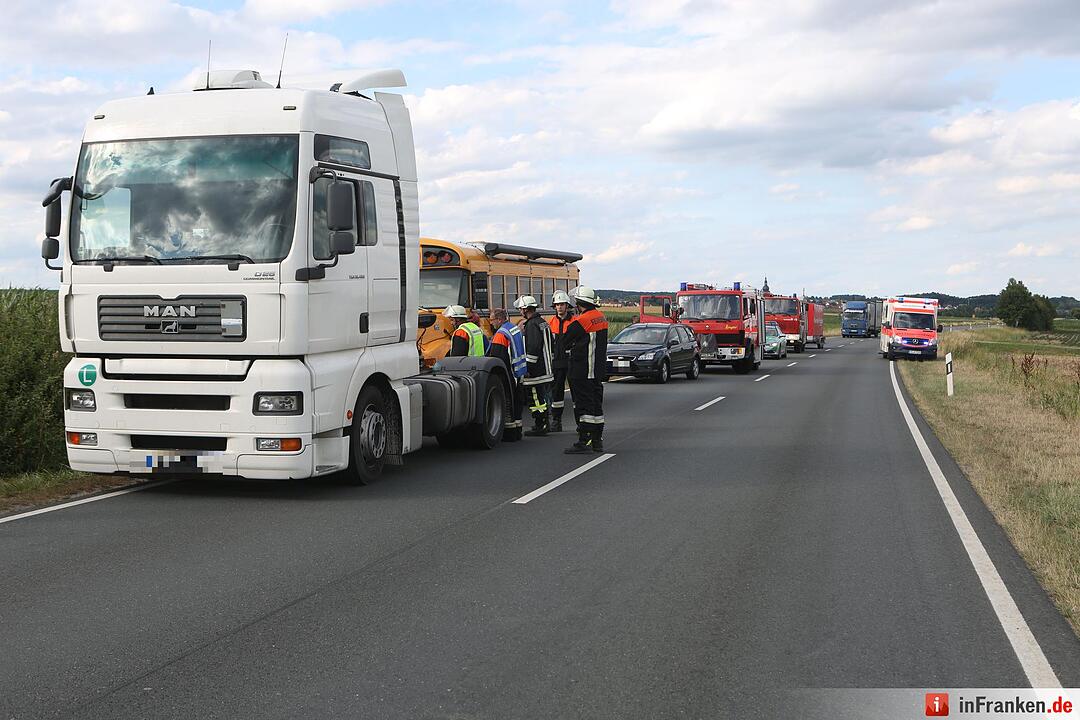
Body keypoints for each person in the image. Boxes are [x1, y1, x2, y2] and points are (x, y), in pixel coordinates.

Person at [562, 287, 608, 454]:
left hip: (582, 370)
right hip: (597, 370)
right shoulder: (601, 317)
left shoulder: (580, 321)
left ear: (579, 302)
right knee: (596, 406)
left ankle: (584, 440)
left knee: (583, 406)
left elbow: (564, 342)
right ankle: (597, 441)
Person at [514, 295, 554, 436]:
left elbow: (533, 348)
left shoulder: (531, 325)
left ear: (525, 309)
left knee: (536, 399)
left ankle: (541, 425)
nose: (520, 312)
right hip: (546, 368)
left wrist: (527, 369)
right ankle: (544, 423)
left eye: (520, 309)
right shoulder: (543, 322)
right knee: (542, 397)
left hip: (536, 371)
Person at [487, 308, 527, 442]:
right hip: (519, 371)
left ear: (499, 319)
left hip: (508, 374)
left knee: (508, 403)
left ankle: (509, 434)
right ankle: (517, 431)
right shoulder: (513, 328)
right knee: (517, 402)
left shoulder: (500, 335)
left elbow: (497, 359)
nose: (491, 323)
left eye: (492, 320)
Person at [546, 290, 576, 432]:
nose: (559, 307)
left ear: (567, 305)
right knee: (556, 392)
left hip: (572, 362)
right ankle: (556, 421)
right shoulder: (551, 322)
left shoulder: (575, 321)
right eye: (557, 305)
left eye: (562, 304)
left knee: (576, 392)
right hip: (557, 362)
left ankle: (580, 423)